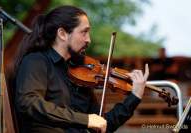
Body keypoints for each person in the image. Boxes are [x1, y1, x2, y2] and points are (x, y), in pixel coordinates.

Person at [9, 5, 149, 133]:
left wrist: (134, 97)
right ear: (62, 34)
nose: (88, 40)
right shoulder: (36, 61)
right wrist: (84, 120)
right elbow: (28, 103)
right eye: (84, 32)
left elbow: (103, 125)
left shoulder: (79, 73)